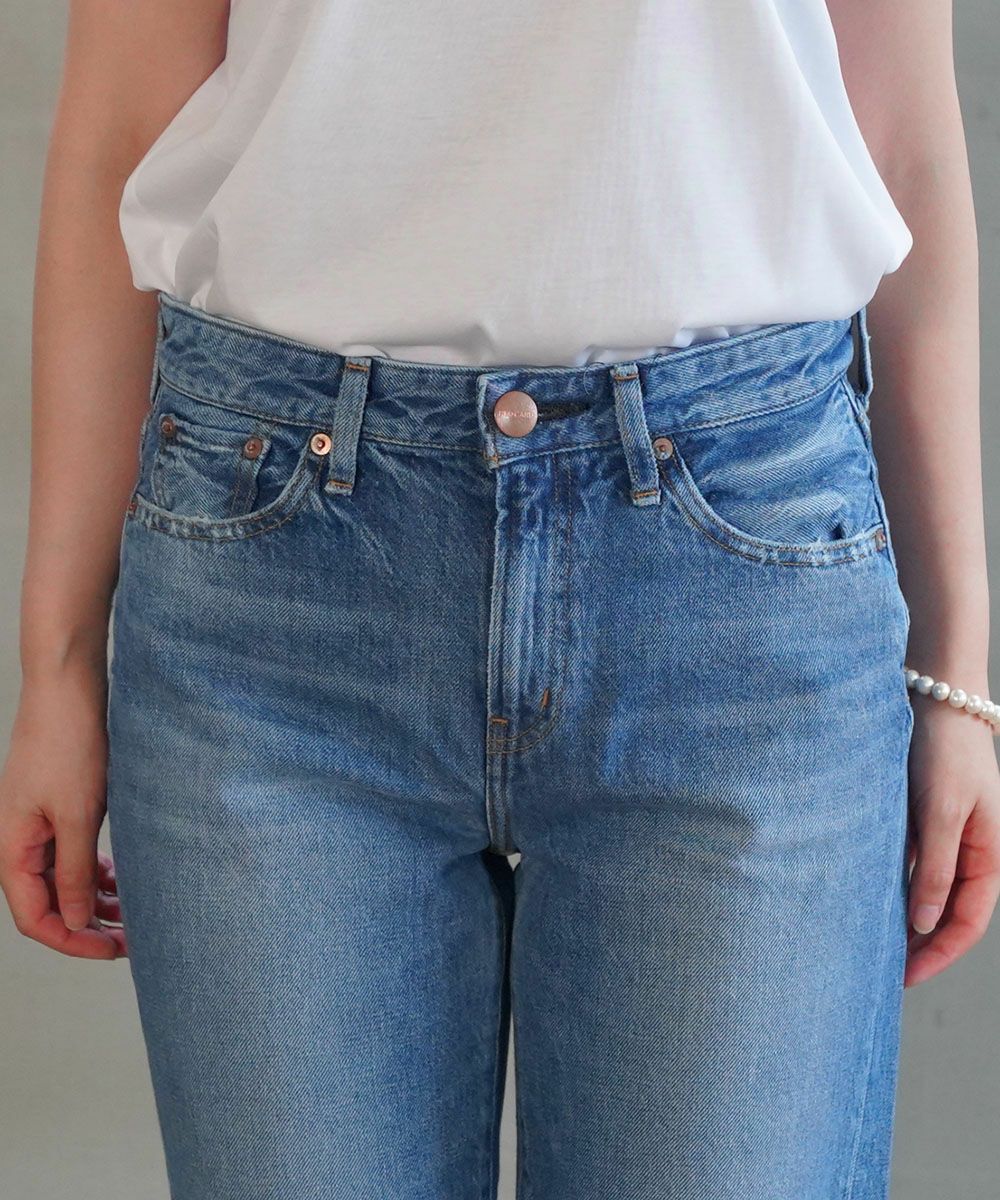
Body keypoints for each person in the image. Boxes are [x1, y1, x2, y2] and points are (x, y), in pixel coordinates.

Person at [2, 2, 998, 1197]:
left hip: (734, 587)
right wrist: (58, 663)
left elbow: (899, 146)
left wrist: (957, 678)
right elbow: (125, 129)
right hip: (279, 597)